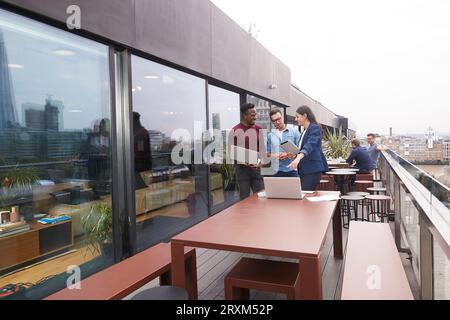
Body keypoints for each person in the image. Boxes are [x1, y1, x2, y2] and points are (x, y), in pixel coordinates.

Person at [288, 106, 328, 191]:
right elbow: (303, 149)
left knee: (304, 194)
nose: (295, 119)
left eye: (297, 116)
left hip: (312, 169)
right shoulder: (304, 131)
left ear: (305, 116)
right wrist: (295, 155)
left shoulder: (314, 128)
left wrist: (298, 157)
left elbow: (310, 144)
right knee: (303, 195)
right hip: (304, 169)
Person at [229, 103, 264, 200]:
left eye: (256, 114)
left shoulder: (258, 129)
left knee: (261, 197)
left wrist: (261, 161)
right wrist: (246, 161)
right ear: (245, 115)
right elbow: (232, 153)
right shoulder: (234, 130)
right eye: (253, 115)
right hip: (242, 170)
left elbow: (262, 149)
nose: (255, 117)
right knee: (244, 199)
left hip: (256, 170)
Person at [266, 108, 301, 177]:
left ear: (282, 117)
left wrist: (288, 154)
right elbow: (267, 154)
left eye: (279, 119)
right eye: (274, 121)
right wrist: (276, 156)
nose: (278, 122)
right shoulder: (270, 136)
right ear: (272, 122)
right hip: (276, 171)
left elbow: (301, 150)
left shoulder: (294, 132)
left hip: (292, 170)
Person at [133, 112, 152, 190]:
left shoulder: (140, 134)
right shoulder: (142, 132)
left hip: (141, 169)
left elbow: (140, 152)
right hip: (142, 167)